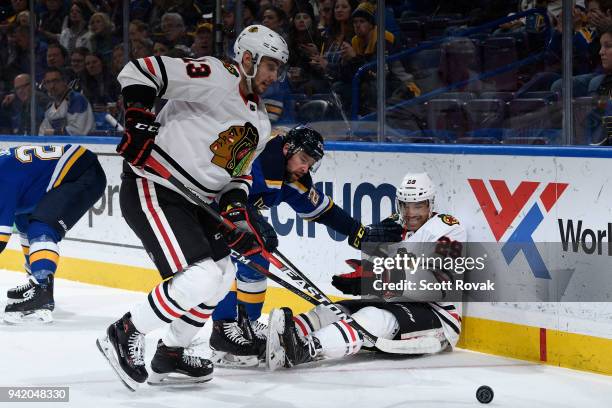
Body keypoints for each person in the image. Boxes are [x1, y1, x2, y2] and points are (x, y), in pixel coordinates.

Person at [96, 24, 289, 390]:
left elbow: (239, 177)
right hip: (155, 185)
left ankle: (172, 352)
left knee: (221, 275)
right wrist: (138, 120)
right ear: (248, 58)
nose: (273, 75)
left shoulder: (261, 122)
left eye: (278, 68)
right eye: (270, 65)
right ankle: (124, 332)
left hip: (199, 203)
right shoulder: (218, 76)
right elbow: (140, 71)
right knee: (198, 277)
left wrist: (235, 213)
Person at [208, 125, 404, 367]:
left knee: (258, 261)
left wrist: (358, 232)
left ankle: (246, 323)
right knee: (224, 263)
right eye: (303, 159)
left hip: (237, 217)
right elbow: (225, 191)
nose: (305, 168)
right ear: (287, 148)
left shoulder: (293, 178)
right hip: (210, 211)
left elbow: (324, 210)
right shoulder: (258, 158)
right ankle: (223, 328)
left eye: (310, 163)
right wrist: (254, 221)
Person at [266, 172, 466, 369]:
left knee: (370, 317)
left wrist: (374, 278)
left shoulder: (447, 230)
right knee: (330, 311)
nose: (410, 213)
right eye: (405, 205)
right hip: (393, 302)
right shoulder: (395, 225)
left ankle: (307, 348)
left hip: (437, 317)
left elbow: (438, 287)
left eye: (418, 205)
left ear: (431, 204)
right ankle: (274, 338)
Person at [1, 144, 106, 324]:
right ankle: (38, 284)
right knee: (26, 225)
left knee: (41, 227)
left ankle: (41, 289)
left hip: (82, 172)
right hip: (62, 174)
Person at [38, 68, 95, 136]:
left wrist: (54, 132)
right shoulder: (50, 107)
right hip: (59, 145)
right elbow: (43, 132)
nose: (52, 86)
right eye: (48, 82)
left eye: (55, 81)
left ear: (65, 81)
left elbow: (78, 131)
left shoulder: (77, 100)